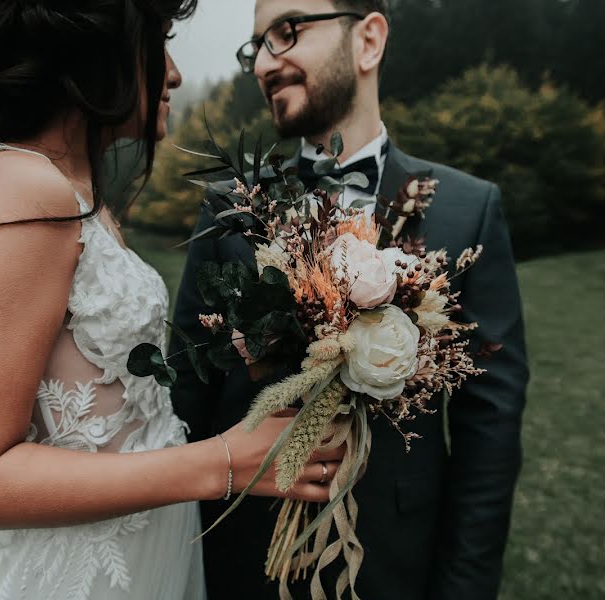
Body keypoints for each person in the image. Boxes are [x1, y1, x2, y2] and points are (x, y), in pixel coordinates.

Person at [0, 2, 343, 599]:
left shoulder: (69, 193)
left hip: (133, 559)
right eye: (158, 42)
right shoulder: (18, 186)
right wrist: (222, 462)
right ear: (92, 48)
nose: (173, 73)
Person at [170, 0, 530, 598]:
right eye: (255, 46)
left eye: (285, 33)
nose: (262, 64)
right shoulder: (230, 208)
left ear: (368, 40)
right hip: (241, 558)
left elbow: (488, 434)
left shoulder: (468, 212)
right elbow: (187, 395)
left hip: (395, 560)